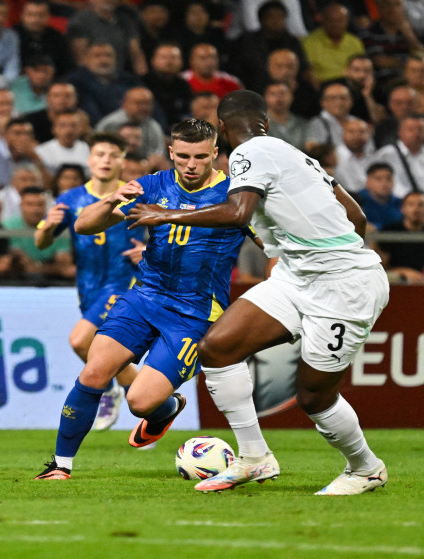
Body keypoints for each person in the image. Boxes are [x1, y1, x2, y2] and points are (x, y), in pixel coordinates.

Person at [127, 90, 389, 495]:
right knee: (218, 348)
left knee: (314, 396)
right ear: (265, 122)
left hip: (344, 286)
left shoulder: (248, 154)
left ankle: (366, 468)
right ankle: (254, 458)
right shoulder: (295, 155)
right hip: (297, 276)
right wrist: (307, 251)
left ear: (222, 129)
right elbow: (356, 217)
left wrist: (164, 215)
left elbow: (238, 213)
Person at [35, 120, 252, 480]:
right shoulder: (153, 185)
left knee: (139, 401)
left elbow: (273, 245)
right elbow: (84, 225)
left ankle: (165, 408)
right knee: (93, 371)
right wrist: (111, 200)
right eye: (183, 156)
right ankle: (60, 465)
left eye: (201, 157)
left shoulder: (236, 197)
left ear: (216, 154)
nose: (191, 165)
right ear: (171, 152)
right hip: (143, 297)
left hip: (195, 314)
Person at [32, 132, 145, 455]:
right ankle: (154, 409)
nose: (106, 160)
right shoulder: (71, 198)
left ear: (123, 160)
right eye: (100, 154)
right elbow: (42, 244)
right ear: (89, 160)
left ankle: (107, 389)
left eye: (113, 154)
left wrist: (148, 250)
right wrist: (46, 227)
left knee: (80, 340)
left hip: (125, 283)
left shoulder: (136, 193)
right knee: (104, 352)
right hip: (88, 288)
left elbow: (166, 230)